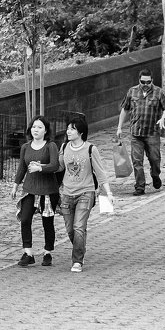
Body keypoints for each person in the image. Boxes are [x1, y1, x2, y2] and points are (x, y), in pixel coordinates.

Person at [58, 116, 114, 273]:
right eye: (68, 128)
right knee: (71, 229)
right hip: (67, 193)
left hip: (86, 193)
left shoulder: (91, 149)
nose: (68, 131)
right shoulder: (64, 147)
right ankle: (80, 246)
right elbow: (59, 167)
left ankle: (77, 261)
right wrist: (41, 166)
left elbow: (100, 172)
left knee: (78, 226)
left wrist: (108, 192)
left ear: (80, 132)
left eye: (72, 129)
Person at [10, 117, 62, 268]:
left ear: (45, 130)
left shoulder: (50, 146)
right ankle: (28, 253)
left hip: (47, 190)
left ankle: (47, 252)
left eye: (39, 127)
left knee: (47, 222)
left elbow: (55, 165)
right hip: (30, 190)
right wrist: (15, 185)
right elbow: (22, 167)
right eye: (34, 127)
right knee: (25, 219)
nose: (36, 130)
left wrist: (41, 167)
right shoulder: (26, 147)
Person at [116, 69, 165, 195]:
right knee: (137, 161)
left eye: (148, 82)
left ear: (152, 80)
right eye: (143, 81)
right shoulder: (132, 91)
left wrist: (163, 118)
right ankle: (140, 186)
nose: (145, 84)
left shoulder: (159, 92)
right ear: (139, 80)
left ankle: (155, 175)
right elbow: (125, 109)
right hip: (136, 133)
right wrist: (119, 127)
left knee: (154, 159)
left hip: (152, 132)